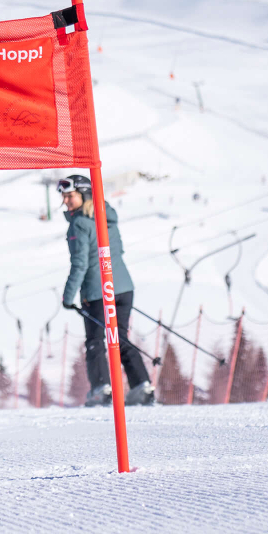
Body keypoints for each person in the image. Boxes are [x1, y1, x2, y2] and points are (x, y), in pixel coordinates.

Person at [59, 173, 154, 407]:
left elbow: (80, 263)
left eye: (70, 196)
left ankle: (102, 389)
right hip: (123, 288)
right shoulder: (107, 217)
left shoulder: (79, 223)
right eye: (64, 197)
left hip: (97, 290)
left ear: (84, 194)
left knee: (95, 341)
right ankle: (142, 385)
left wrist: (68, 296)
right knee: (119, 337)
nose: (66, 202)